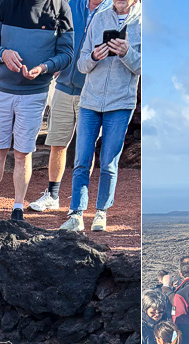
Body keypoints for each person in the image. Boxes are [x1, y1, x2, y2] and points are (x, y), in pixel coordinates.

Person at [0, 0, 72, 224]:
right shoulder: (8, 4)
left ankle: (18, 207)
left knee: (22, 153)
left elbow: (67, 54)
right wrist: (3, 54)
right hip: (3, 91)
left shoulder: (60, 7)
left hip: (35, 93)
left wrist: (44, 67)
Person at [58, 0, 137, 233]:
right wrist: (93, 56)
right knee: (81, 160)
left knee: (109, 163)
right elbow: (81, 64)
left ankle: (101, 213)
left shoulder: (143, 23)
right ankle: (76, 214)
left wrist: (127, 53)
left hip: (120, 103)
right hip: (90, 101)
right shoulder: (99, 17)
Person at [27, 0, 101, 213]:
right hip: (62, 87)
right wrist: (53, 63)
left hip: (92, 92)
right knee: (57, 143)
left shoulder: (110, 10)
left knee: (86, 149)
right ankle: (52, 195)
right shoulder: (71, 5)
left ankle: (79, 200)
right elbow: (53, 35)